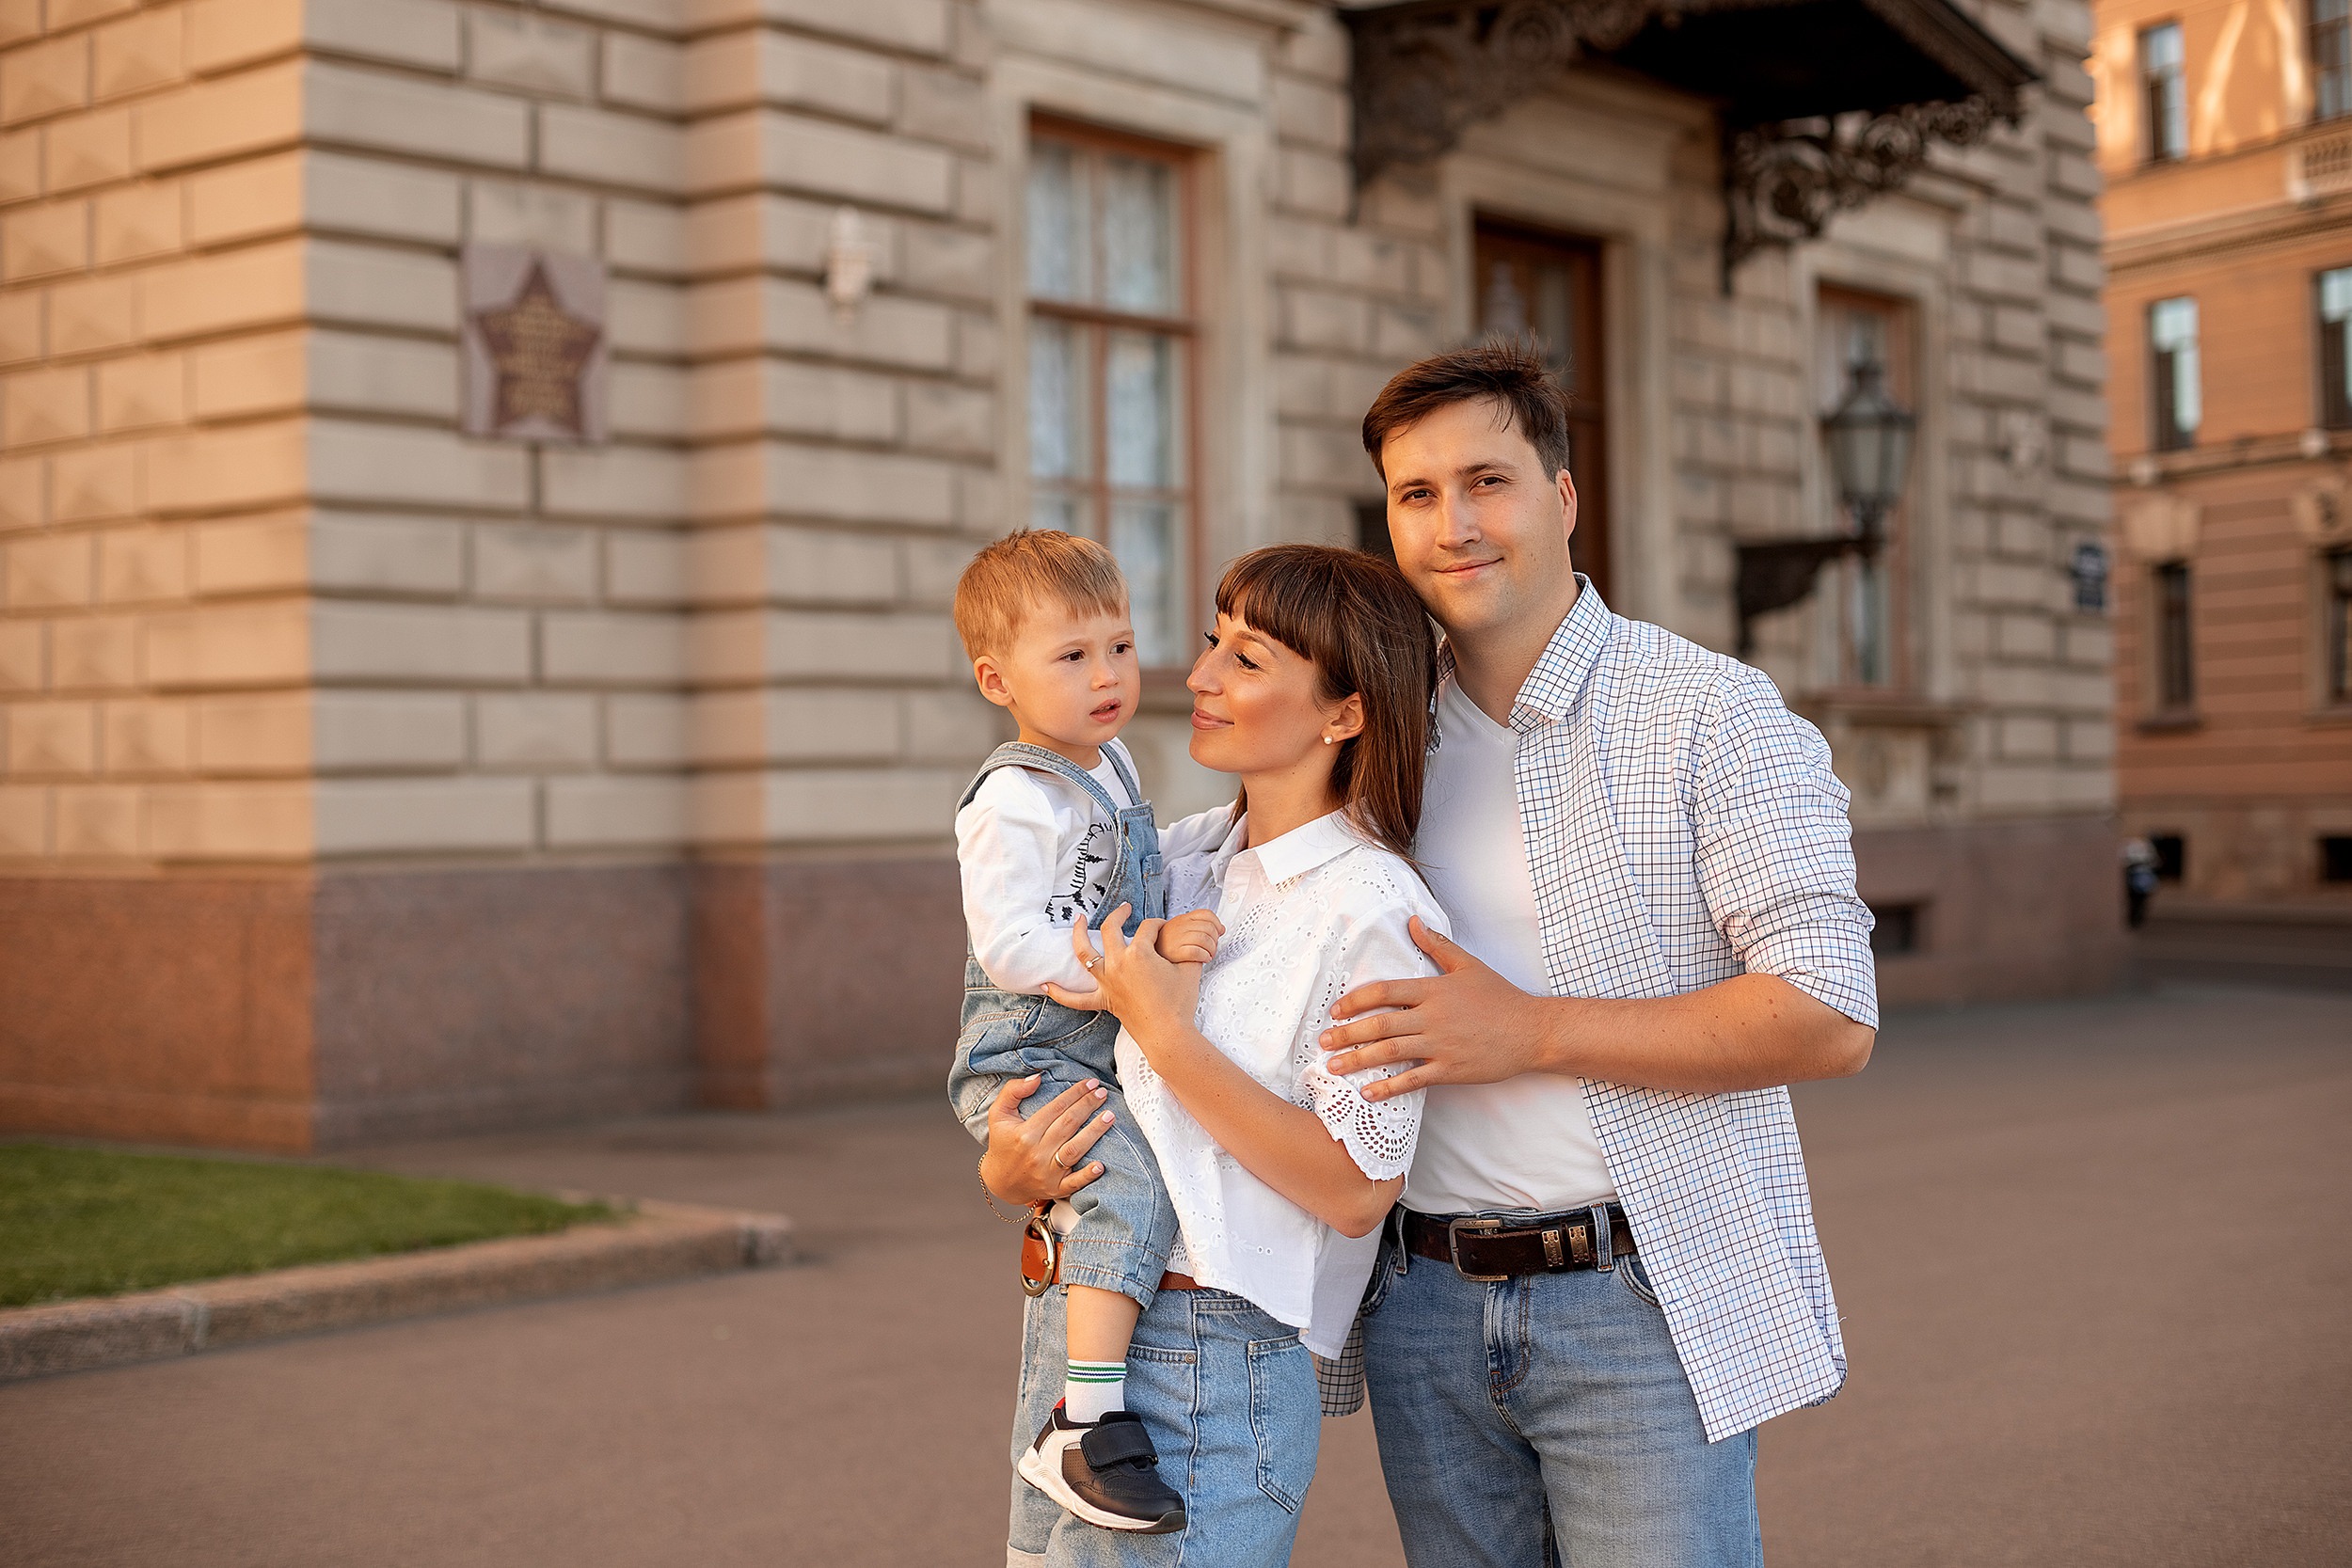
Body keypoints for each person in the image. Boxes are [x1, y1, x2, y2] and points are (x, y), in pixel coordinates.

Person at [1314, 341, 1880, 1567]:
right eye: (1417, 494)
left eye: (1488, 481)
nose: (1455, 525)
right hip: (1419, 1302)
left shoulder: (1713, 713)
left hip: (1636, 1299)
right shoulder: (1369, 737)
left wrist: (1531, 1029)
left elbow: (1829, 1012)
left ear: (1563, 496)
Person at [977, 544, 1446, 1568]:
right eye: (1209, 642)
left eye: (1247, 658)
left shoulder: (1371, 909)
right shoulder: (1177, 856)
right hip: (1079, 1330)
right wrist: (1014, 1172)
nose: (1198, 675)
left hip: (1208, 1359)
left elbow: (1357, 1188)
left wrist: (1166, 1032)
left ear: (1344, 714)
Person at [947, 530, 1217, 1533]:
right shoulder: (1012, 798)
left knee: (1137, 1183)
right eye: (1072, 655)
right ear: (997, 680)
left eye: (1120, 645)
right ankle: (1082, 1421)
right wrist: (1133, 960)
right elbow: (1012, 947)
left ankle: (1088, 1405)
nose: (1107, 674)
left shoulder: (1111, 762)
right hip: (1027, 1046)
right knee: (1125, 1189)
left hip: (1087, 1032)